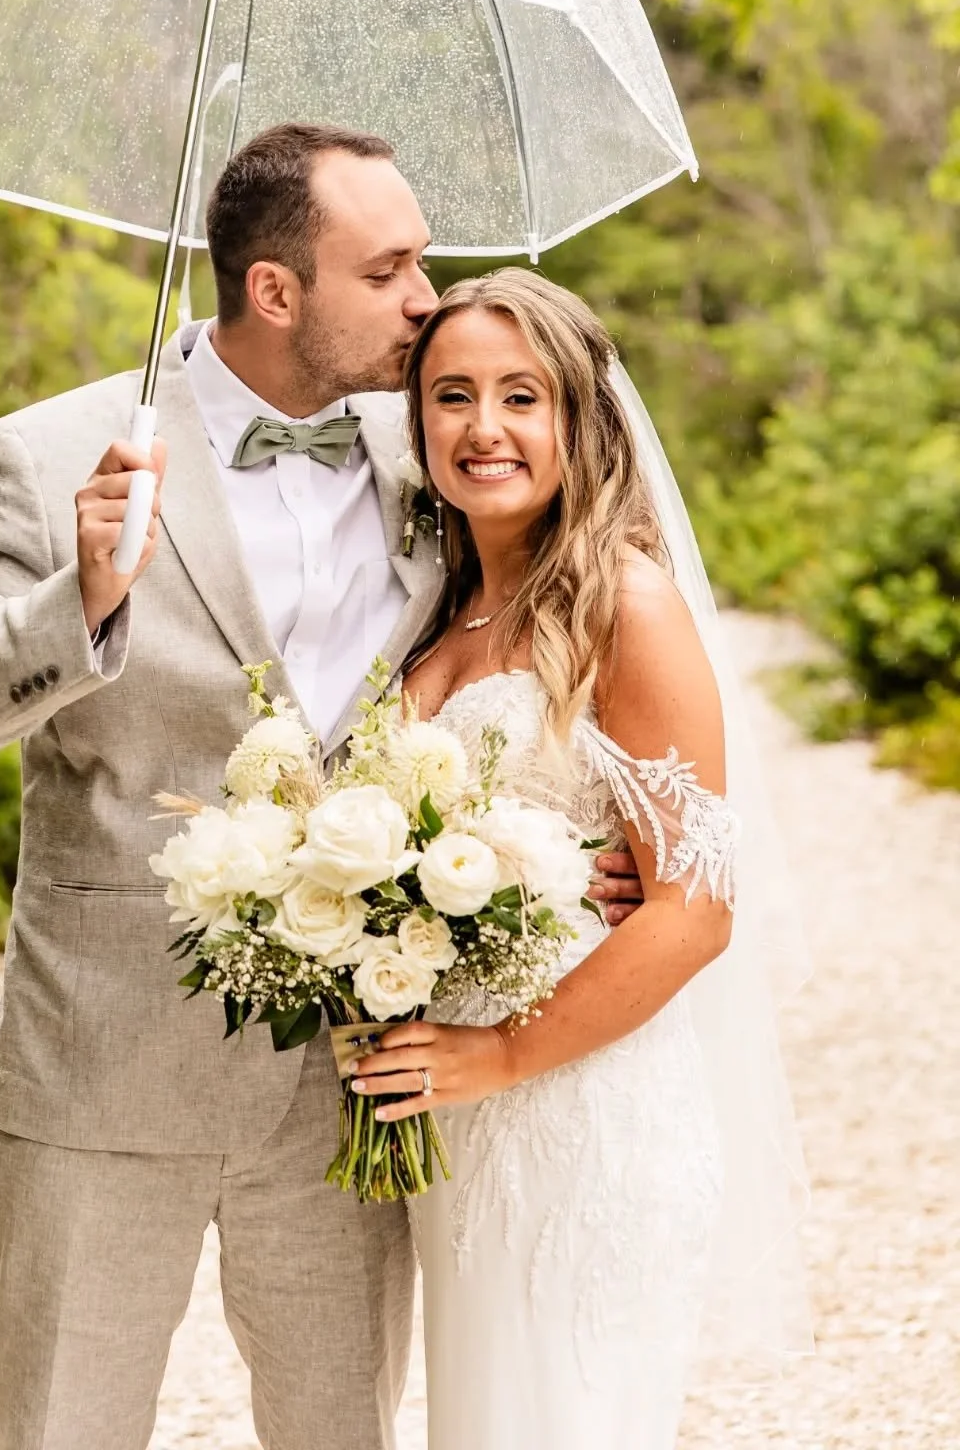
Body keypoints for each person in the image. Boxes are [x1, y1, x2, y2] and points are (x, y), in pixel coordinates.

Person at [0, 124, 644, 1450]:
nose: (425, 300)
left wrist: (567, 866)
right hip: (105, 1064)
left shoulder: (440, 453)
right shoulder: (48, 455)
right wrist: (81, 599)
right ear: (276, 290)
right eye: (388, 271)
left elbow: (537, 650)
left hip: (355, 1074)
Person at [347, 270, 803, 1450]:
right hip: (457, 1122)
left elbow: (697, 907)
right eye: (452, 395)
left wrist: (503, 1051)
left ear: (578, 420)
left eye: (521, 396)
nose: (482, 428)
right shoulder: (438, 611)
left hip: (581, 1109)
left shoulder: (625, 605)